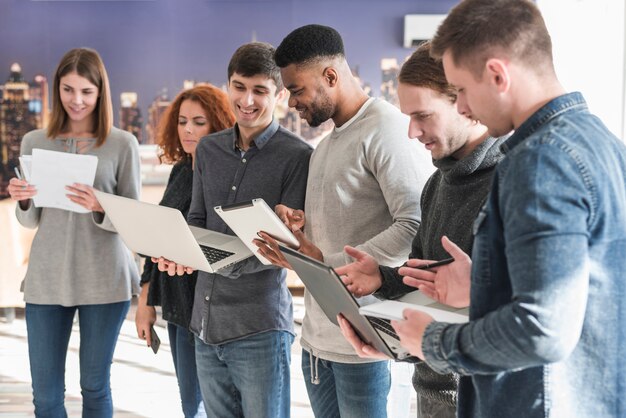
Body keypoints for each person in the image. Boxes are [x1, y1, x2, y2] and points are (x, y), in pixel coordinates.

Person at [381, 0, 626, 417]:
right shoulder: (603, 142)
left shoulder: (539, 161)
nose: (460, 106)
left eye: (459, 90)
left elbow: (542, 329)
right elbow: (581, 297)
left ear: (496, 74)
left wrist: (432, 342)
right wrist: (482, 288)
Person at [256, 24, 434, 418]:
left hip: (366, 344)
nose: (292, 103)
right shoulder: (323, 145)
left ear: (331, 76)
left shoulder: (387, 129)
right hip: (317, 339)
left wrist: (328, 262)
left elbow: (416, 223)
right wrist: (297, 228)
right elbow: (333, 227)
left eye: (297, 89)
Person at [334, 41, 506, 418]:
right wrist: (382, 278)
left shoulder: (513, 183)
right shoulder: (436, 184)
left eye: (423, 115)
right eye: (407, 117)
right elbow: (424, 284)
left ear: (467, 104)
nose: (412, 132)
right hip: (431, 393)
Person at [156, 42, 312, 418]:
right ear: (228, 85)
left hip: (260, 329)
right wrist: (182, 252)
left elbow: (284, 247)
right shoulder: (207, 150)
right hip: (204, 326)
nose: (247, 100)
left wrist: (210, 258)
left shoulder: (298, 156)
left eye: (260, 90)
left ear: (278, 95)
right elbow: (196, 218)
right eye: (239, 87)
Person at [7, 47, 141, 417]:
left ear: (101, 93)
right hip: (47, 279)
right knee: (46, 398)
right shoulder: (35, 141)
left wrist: (101, 206)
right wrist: (21, 200)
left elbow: (135, 221)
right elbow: (31, 221)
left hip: (104, 279)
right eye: (68, 90)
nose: (77, 100)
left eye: (86, 91)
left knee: (94, 388)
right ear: (57, 89)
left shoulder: (121, 144)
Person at [134, 84, 235, 418]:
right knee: (191, 405)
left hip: (211, 308)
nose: (188, 129)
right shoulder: (180, 171)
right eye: (182, 121)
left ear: (218, 124)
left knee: (211, 405)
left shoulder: (227, 175)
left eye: (199, 122)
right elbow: (158, 239)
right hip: (177, 305)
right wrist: (146, 303)